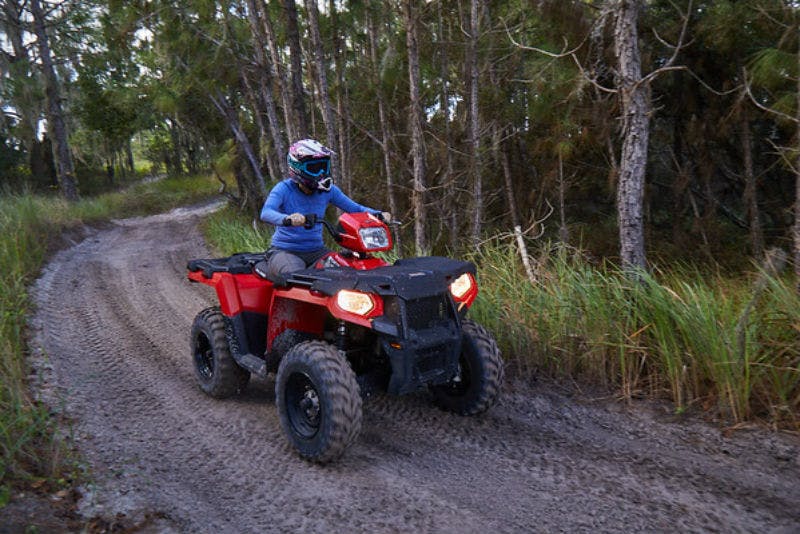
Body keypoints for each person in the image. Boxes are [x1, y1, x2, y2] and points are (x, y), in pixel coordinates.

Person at [259, 139, 390, 281]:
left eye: (323, 166)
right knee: (297, 278)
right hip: (286, 251)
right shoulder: (284, 189)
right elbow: (266, 213)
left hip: (318, 251)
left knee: (347, 273)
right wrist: (287, 219)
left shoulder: (328, 191)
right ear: (297, 168)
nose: (321, 172)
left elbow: (356, 209)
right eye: (314, 168)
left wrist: (377, 215)